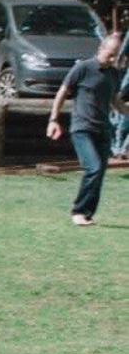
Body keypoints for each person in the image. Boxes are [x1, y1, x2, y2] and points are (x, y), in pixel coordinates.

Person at [48, 31, 125, 226]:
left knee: (99, 173)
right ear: (101, 49)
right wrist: (53, 120)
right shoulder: (83, 68)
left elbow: (116, 102)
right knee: (93, 167)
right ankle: (78, 211)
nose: (113, 59)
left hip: (103, 130)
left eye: (116, 55)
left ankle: (88, 214)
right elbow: (62, 93)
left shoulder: (113, 74)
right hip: (82, 128)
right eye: (110, 54)